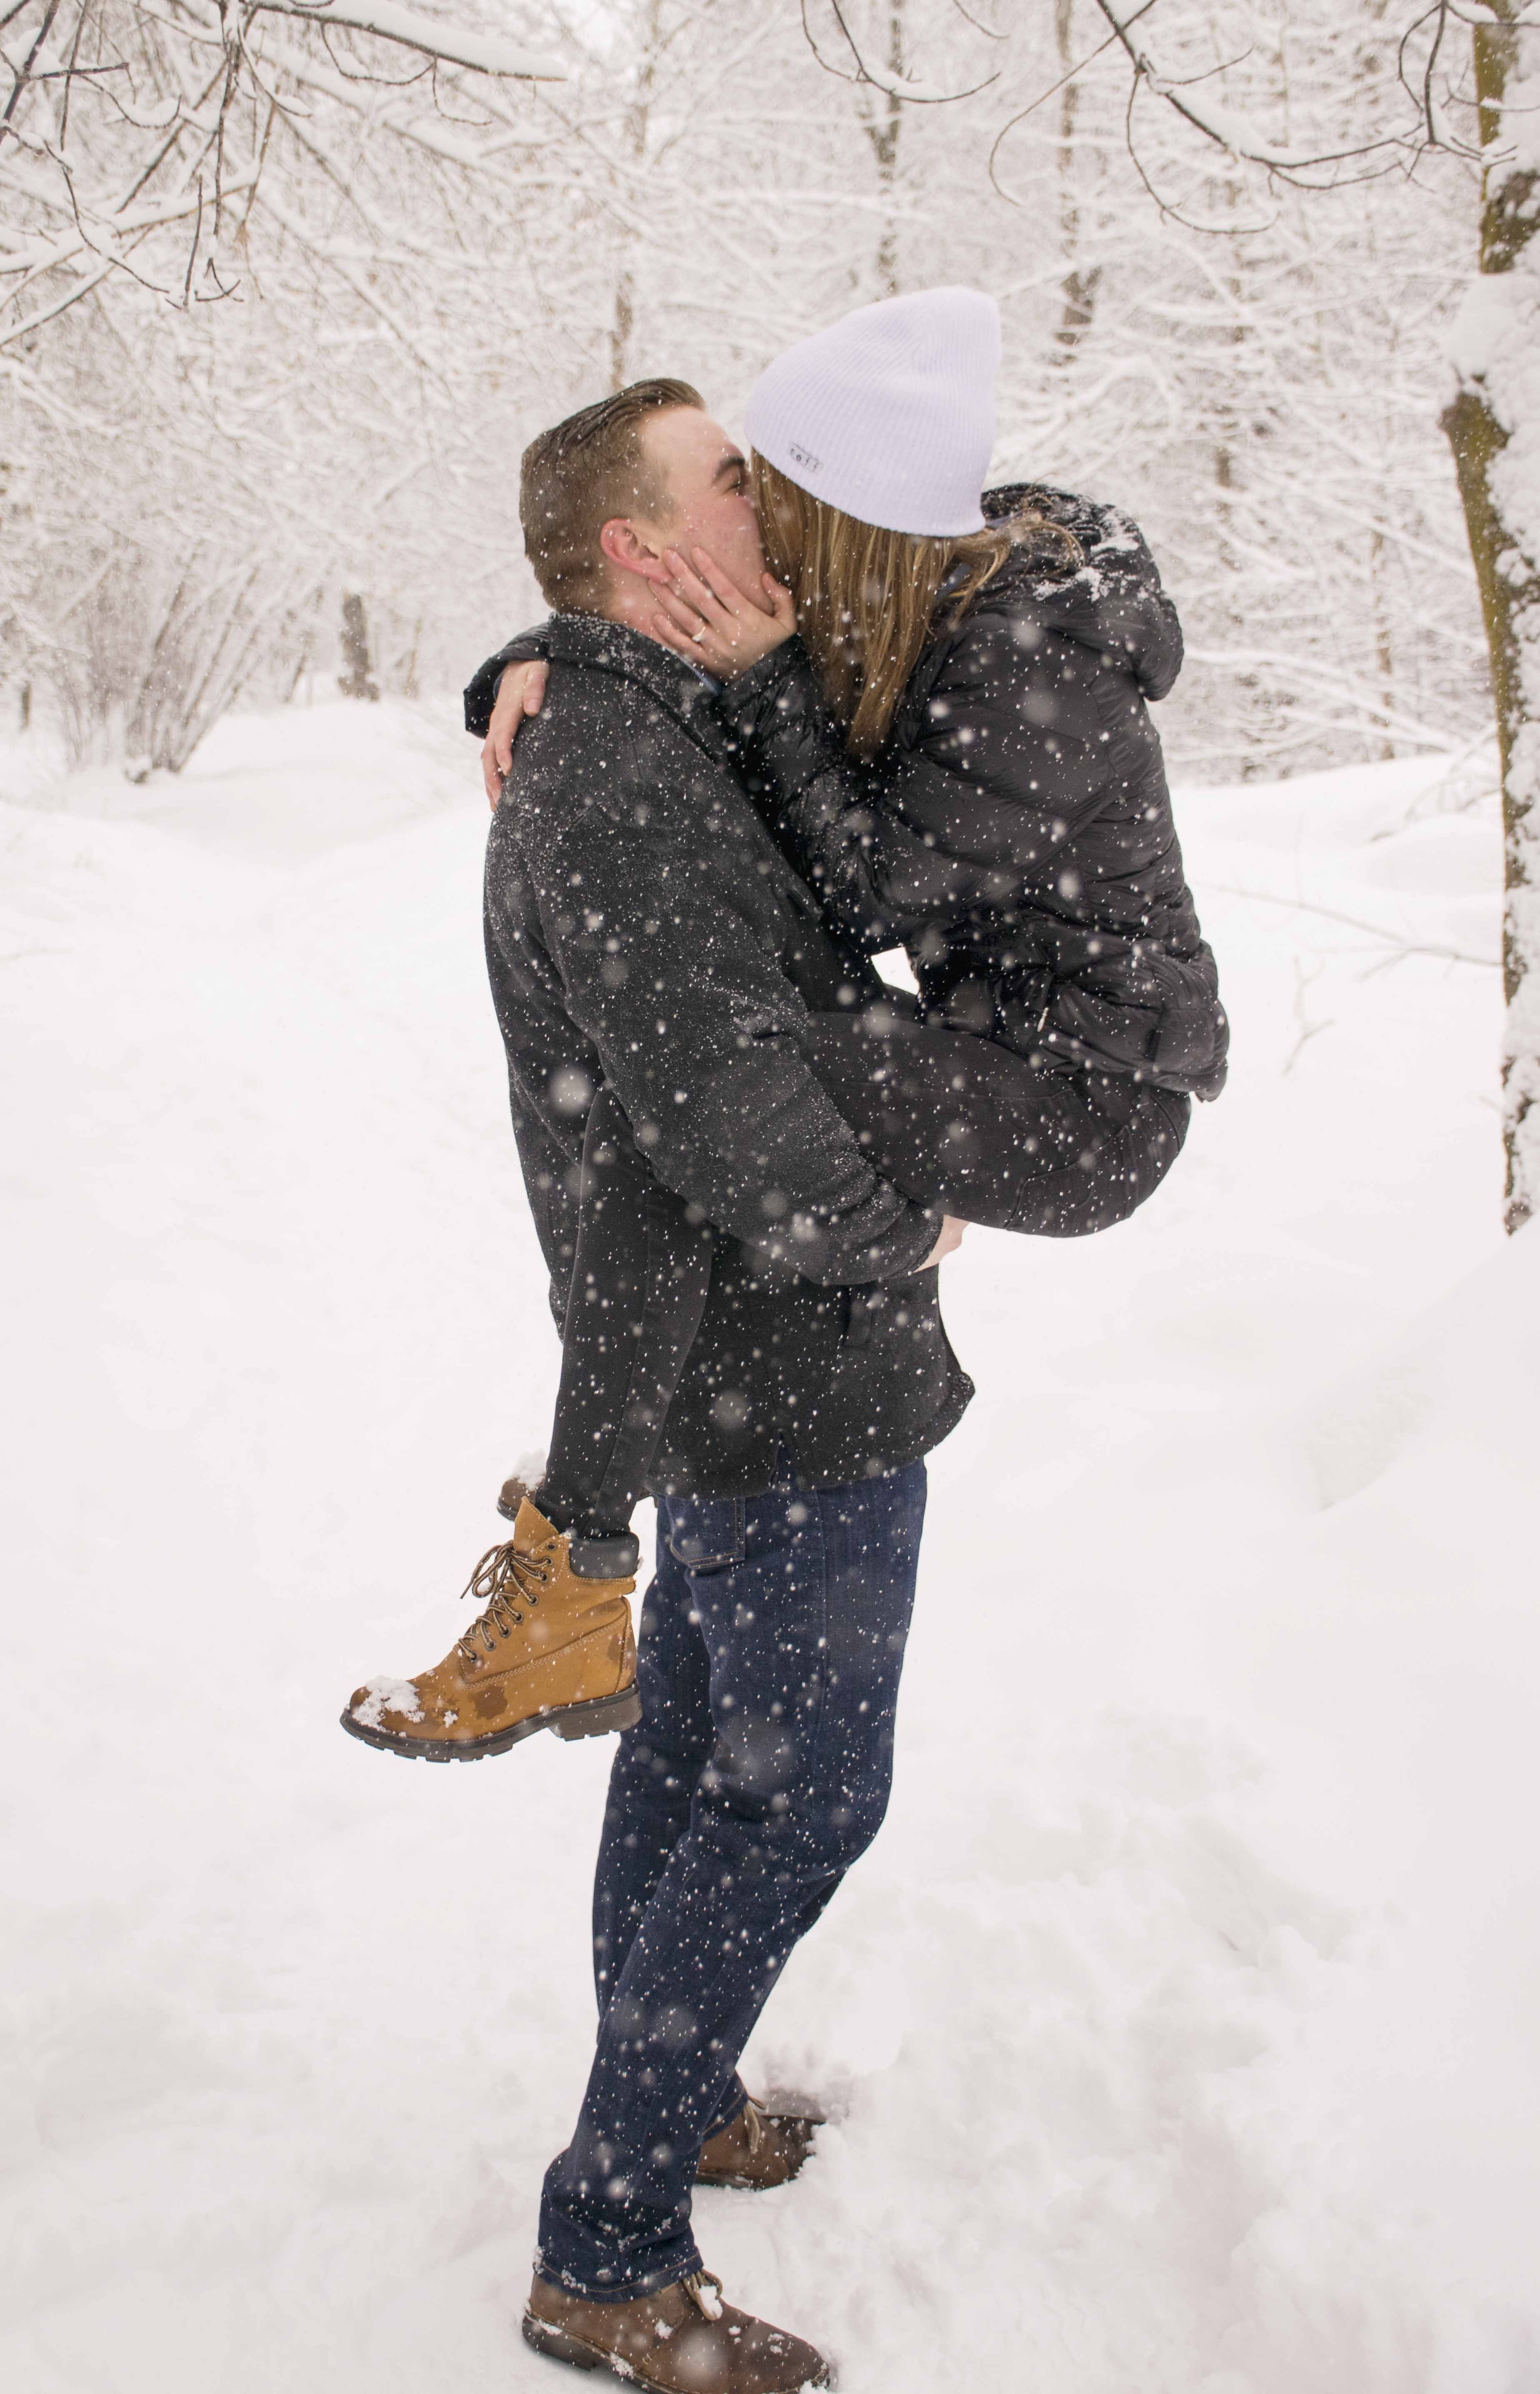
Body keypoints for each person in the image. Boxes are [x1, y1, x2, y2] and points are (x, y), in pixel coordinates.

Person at [342, 374, 972, 2391]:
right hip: (790, 1369)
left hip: (730, 1367)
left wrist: (625, 660)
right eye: (728, 482)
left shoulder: (639, 721)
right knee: (802, 1800)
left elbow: (826, 912)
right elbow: (732, 1124)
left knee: (701, 1754)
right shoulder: (615, 774)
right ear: (641, 546)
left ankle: (670, 2099)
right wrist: (914, 1223)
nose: (767, 503)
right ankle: (609, 2243)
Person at [469, 287, 1225, 1590]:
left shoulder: (1031, 663)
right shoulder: (916, 586)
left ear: (857, 511)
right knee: (680, 1082)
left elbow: (871, 892)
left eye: (774, 486)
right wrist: (553, 650)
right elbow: (656, 617)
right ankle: (579, 1550)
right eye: (740, 481)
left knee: (686, 1084)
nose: (761, 510)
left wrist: (896, 1241)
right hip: (992, 1052)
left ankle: (577, 1548)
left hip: (1091, 1099)